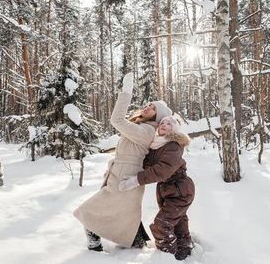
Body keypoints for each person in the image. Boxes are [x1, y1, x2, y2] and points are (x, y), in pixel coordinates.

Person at [73, 72, 172, 251]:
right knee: (122, 217)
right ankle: (104, 237)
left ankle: (95, 241)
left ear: (157, 118)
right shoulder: (142, 127)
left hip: (127, 178)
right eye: (149, 105)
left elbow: (116, 120)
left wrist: (126, 92)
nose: (148, 108)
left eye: (153, 108)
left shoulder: (148, 131)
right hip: (121, 175)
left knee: (100, 212)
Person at [119, 116, 195, 260]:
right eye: (162, 123)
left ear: (174, 129)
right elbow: (146, 164)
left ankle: (167, 257)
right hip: (167, 190)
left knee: (161, 225)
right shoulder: (156, 145)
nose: (164, 125)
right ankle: (185, 249)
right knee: (178, 222)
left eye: (169, 124)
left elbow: (163, 170)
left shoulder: (174, 145)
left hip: (180, 189)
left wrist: (136, 180)